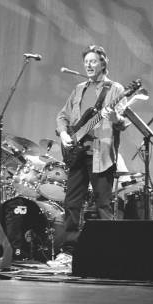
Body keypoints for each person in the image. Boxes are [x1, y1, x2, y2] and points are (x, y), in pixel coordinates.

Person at [51, 45, 128, 266]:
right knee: (72, 203)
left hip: (101, 155)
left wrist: (114, 118)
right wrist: (65, 133)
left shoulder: (116, 89)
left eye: (93, 61)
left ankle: (108, 254)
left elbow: (123, 123)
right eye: (86, 62)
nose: (88, 65)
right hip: (76, 153)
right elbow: (62, 116)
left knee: (104, 205)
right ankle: (68, 252)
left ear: (103, 64)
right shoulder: (79, 89)